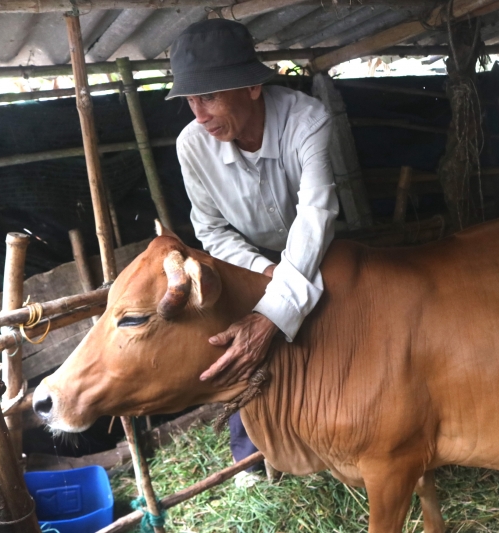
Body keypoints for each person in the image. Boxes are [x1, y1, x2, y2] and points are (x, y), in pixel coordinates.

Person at [167, 18, 339, 476]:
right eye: (189, 99)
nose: (198, 114)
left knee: (332, 325)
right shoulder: (191, 145)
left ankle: (330, 433)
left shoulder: (307, 120)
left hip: (318, 247)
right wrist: (263, 273)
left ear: (251, 87)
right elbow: (211, 230)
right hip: (245, 260)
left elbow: (316, 214)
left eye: (208, 96)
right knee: (239, 337)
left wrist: (286, 288)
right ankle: (252, 457)